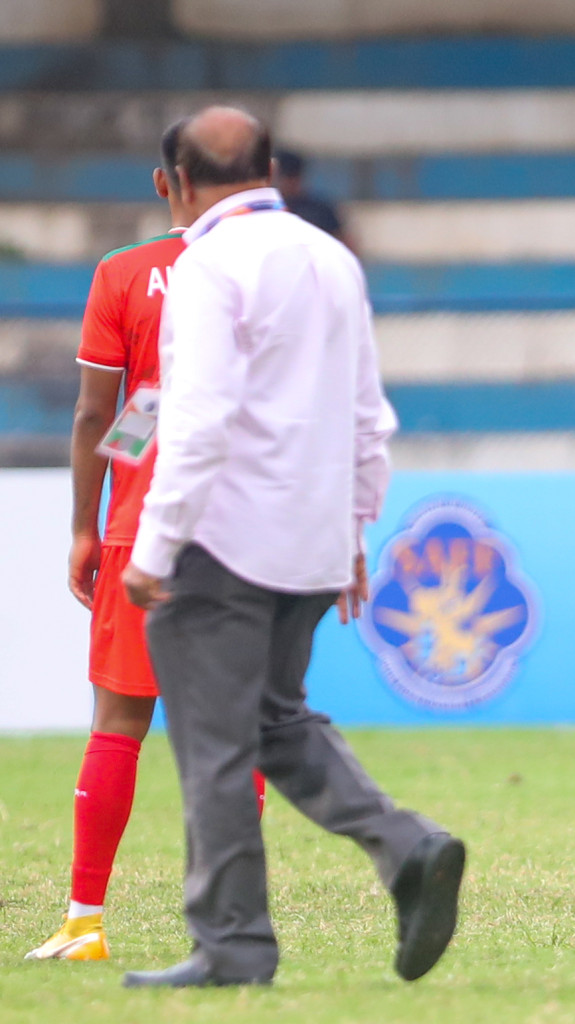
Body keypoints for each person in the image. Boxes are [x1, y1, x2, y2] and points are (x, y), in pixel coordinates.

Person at [118, 106, 464, 988]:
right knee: (277, 720)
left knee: (216, 746)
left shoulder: (205, 266)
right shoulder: (331, 257)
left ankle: (233, 944)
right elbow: (367, 417)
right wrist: (351, 531)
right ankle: (406, 845)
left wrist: (153, 549)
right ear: (270, 167)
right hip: (310, 538)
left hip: (221, 546)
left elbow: (195, 426)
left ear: (175, 184)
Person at [24, 120, 268, 963]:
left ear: (168, 185)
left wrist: (86, 526)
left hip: (144, 524)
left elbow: (108, 413)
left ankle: (85, 919)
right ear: (260, 177)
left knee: (119, 722)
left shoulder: (123, 273)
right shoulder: (283, 267)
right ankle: (234, 917)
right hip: (247, 527)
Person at [274, 148, 354, 251]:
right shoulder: (270, 208)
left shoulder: (319, 209)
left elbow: (345, 243)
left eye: (292, 177)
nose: (288, 183)